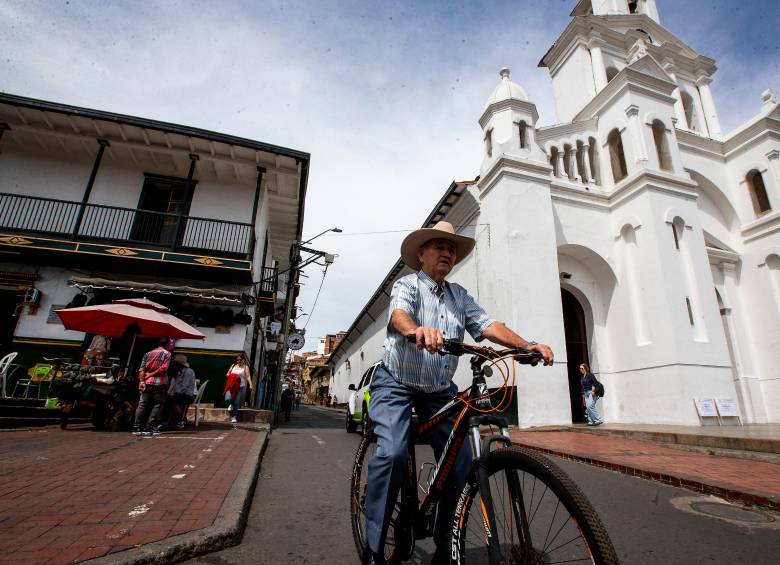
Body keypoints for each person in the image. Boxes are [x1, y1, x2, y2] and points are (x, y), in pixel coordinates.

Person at [363, 221, 554, 565]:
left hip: (439, 390)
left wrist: (526, 345)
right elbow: (398, 316)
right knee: (391, 453)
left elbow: (488, 325)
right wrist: (416, 330)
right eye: (439, 246)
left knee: (462, 465)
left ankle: (445, 543)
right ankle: (374, 545)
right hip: (396, 383)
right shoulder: (407, 285)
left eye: (451, 248)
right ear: (421, 255)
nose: (447, 252)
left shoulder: (459, 296)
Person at [132, 337, 174, 436]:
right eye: (170, 344)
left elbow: (141, 369)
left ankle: (137, 427)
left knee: (142, 404)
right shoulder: (167, 354)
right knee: (158, 404)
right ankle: (149, 427)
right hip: (159, 383)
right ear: (167, 344)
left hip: (146, 382)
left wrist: (142, 381)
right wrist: (151, 374)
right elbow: (163, 369)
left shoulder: (148, 353)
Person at [159, 354, 197, 430]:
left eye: (175, 364)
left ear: (180, 365)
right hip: (179, 394)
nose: (173, 366)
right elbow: (172, 387)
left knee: (170, 401)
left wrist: (172, 395)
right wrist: (168, 394)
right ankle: (169, 420)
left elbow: (184, 387)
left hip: (188, 395)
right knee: (167, 399)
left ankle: (171, 420)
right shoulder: (177, 372)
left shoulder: (188, 372)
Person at [224, 353, 252, 424]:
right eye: (237, 360)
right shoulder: (233, 366)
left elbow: (248, 376)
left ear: (243, 360)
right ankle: (230, 406)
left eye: (240, 360)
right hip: (231, 386)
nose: (238, 361)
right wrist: (233, 376)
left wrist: (250, 385)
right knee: (228, 399)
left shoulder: (245, 367)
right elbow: (227, 374)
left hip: (239, 387)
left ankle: (233, 417)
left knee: (236, 402)